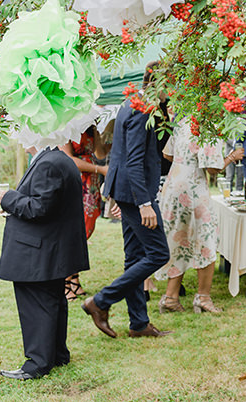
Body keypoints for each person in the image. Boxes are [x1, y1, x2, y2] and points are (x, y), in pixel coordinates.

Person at [82, 62, 172, 338]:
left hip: (128, 190)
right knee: (158, 254)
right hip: (135, 192)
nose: (176, 90)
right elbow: (133, 161)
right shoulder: (138, 108)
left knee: (134, 257)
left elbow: (154, 149)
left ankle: (138, 323)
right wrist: (145, 203)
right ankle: (100, 302)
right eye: (173, 84)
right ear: (160, 84)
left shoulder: (144, 104)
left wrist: (166, 113)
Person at [0, 146, 89, 380]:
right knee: (51, 302)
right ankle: (57, 354)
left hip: (38, 251)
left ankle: (37, 362)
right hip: (48, 248)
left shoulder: (49, 163)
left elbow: (39, 208)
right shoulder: (58, 159)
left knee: (36, 304)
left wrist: (8, 199)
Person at [154, 116, 243, 314]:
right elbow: (212, 169)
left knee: (179, 239)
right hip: (193, 188)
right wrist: (231, 157)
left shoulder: (184, 121)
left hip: (173, 185)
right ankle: (203, 297)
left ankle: (170, 297)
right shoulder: (209, 125)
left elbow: (167, 154)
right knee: (206, 239)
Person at [59, 126, 109, 301]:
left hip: (91, 182)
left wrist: (101, 134)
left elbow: (101, 153)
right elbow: (68, 160)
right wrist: (101, 170)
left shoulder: (89, 126)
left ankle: (74, 278)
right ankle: (64, 281)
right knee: (72, 233)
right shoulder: (65, 125)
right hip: (76, 180)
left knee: (84, 231)